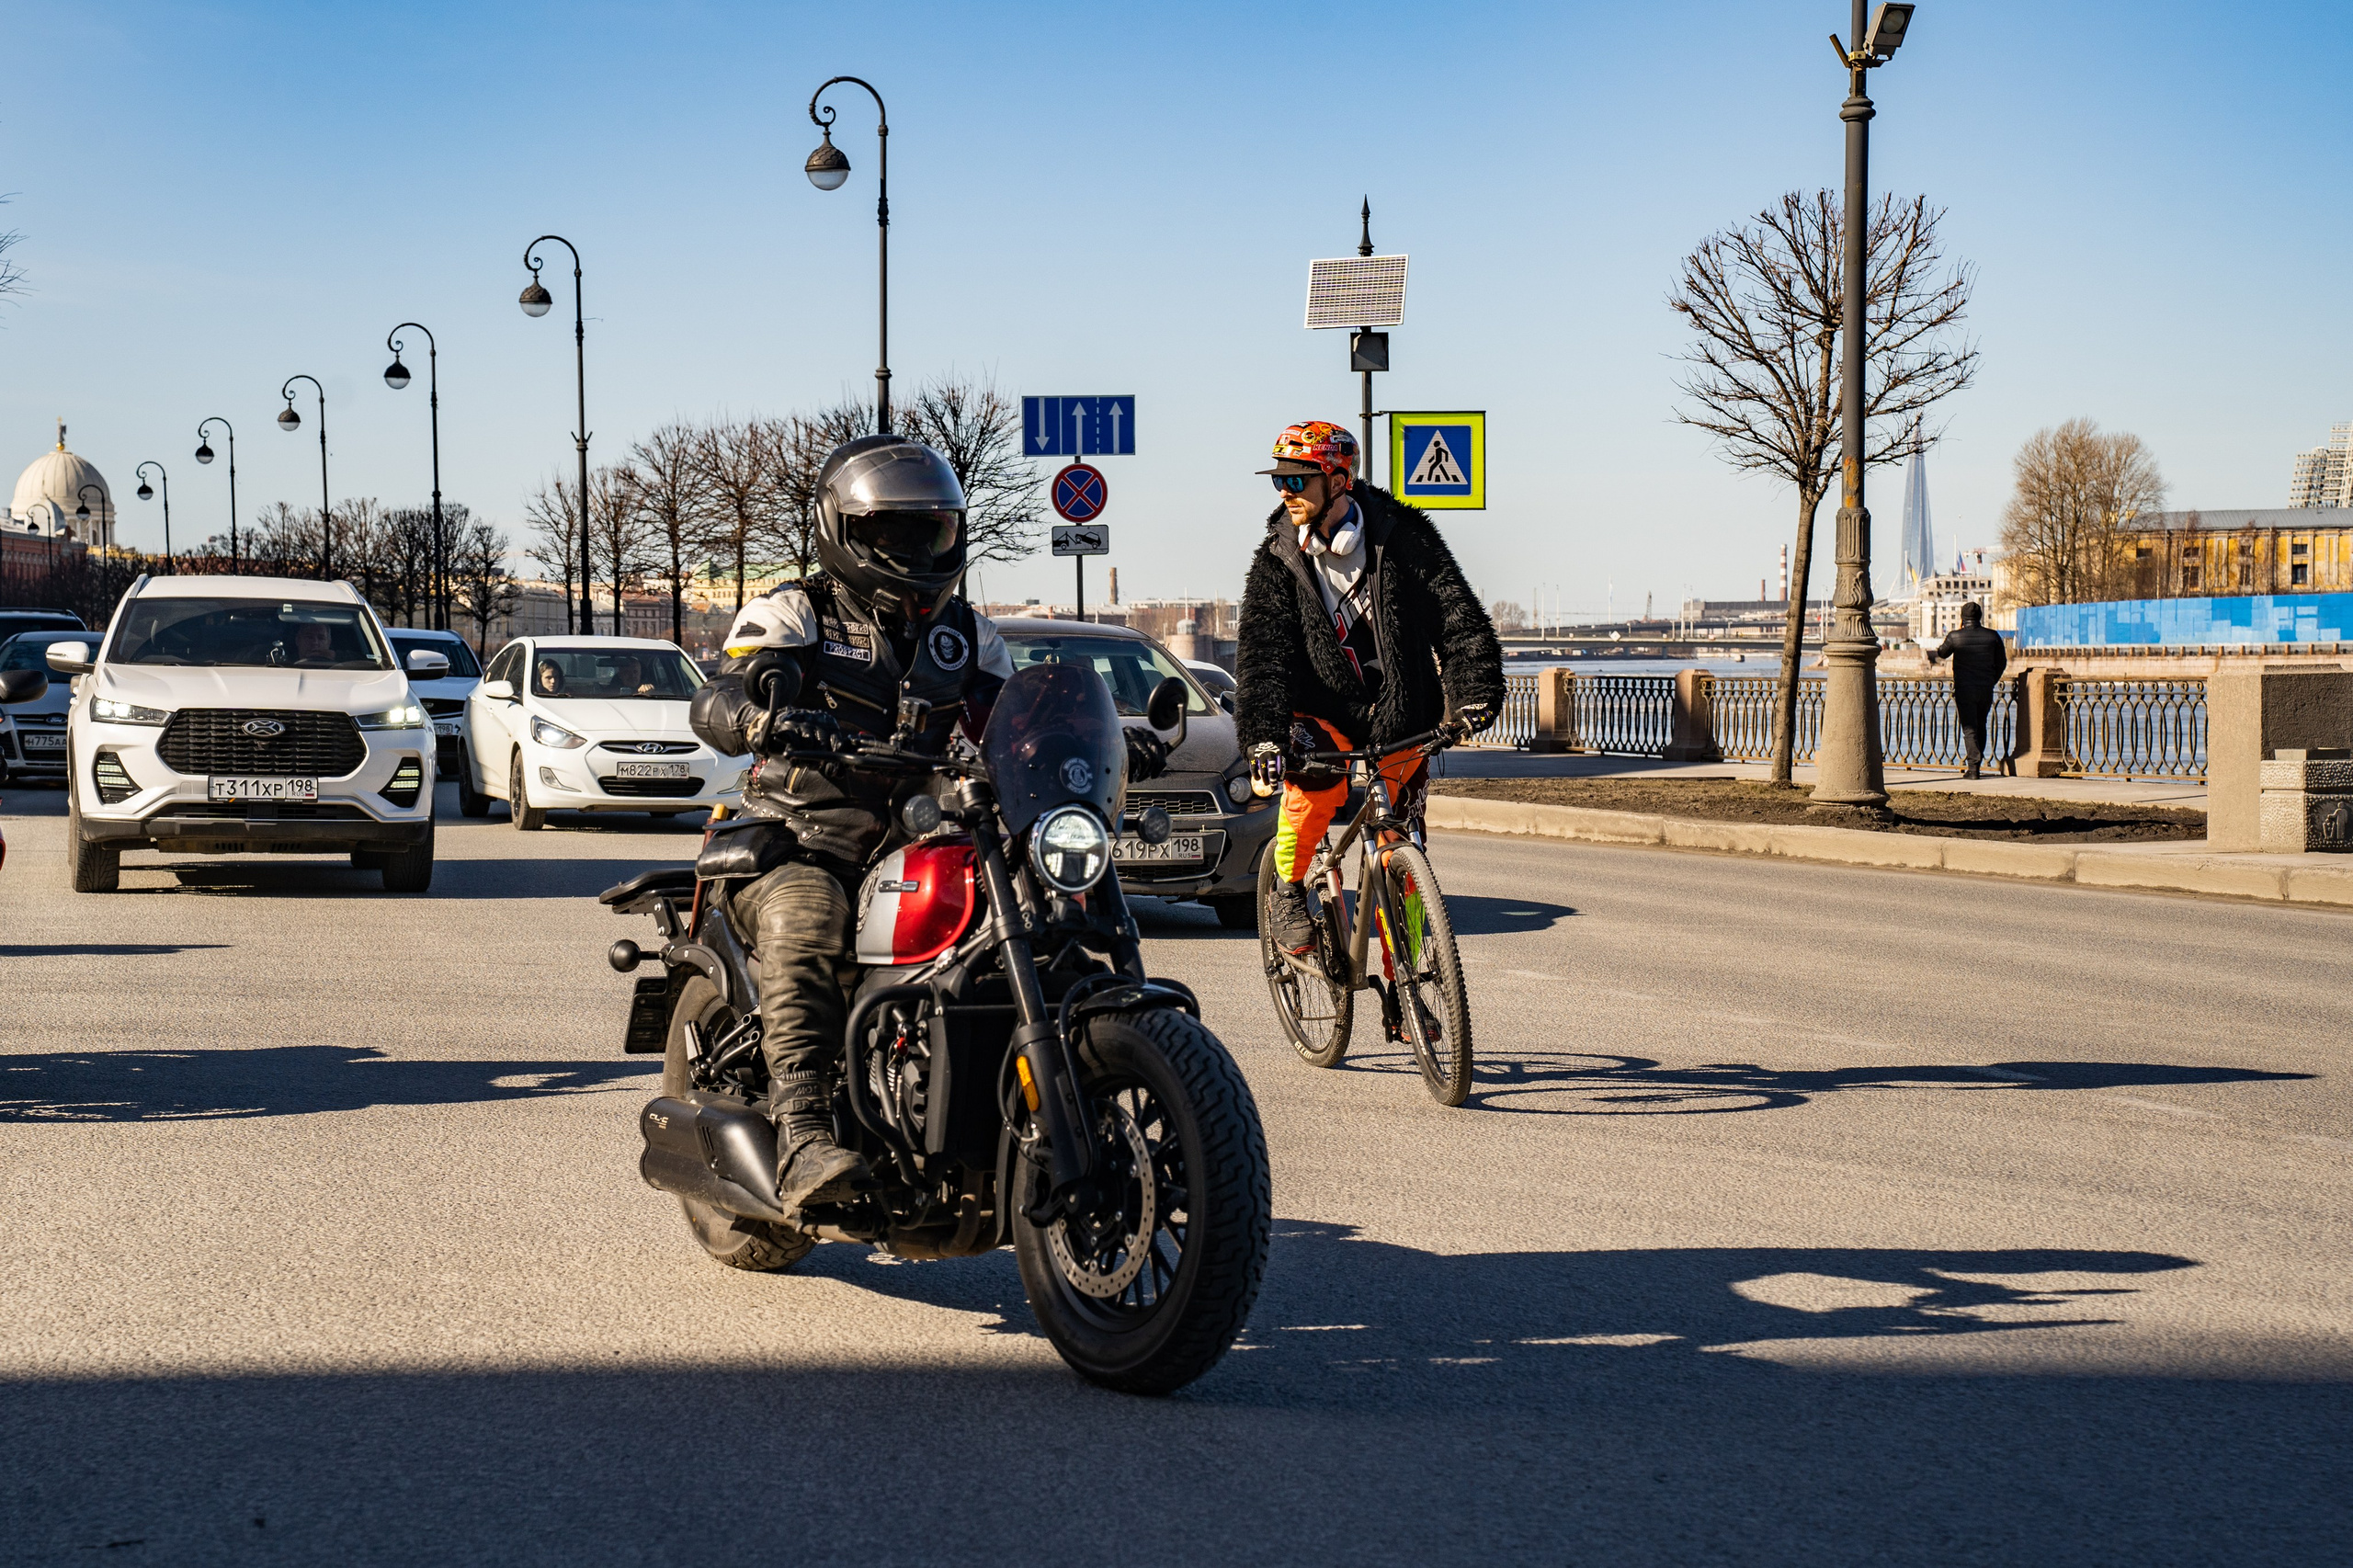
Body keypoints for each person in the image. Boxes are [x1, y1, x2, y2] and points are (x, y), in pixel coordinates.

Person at [688, 435, 1167, 1218]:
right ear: (842, 532)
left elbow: (1015, 725)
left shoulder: (967, 633)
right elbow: (721, 693)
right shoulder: (793, 612)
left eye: (933, 529)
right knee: (809, 920)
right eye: (895, 532)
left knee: (1036, 898)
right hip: (805, 831)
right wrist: (755, 716)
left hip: (919, 833)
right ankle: (806, 1132)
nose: (918, 547)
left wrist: (1105, 736)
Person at [1234, 420, 1505, 962]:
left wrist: (1473, 695)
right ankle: (1289, 892)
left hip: (1401, 711)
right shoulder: (1277, 560)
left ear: (1337, 482)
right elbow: (1265, 656)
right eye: (1278, 483)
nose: (1286, 493)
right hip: (1322, 710)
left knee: (1400, 848)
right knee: (1312, 791)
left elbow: (1458, 621)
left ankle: (1407, 985)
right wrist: (1264, 737)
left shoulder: (1403, 538)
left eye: (1297, 481)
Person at [1926, 600, 2008, 779]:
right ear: (1980, 617)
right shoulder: (1993, 636)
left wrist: (1952, 636)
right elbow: (2002, 663)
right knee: (1981, 725)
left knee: (1969, 728)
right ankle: (1977, 765)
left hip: (1964, 688)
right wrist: (1991, 680)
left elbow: (1942, 653)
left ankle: (1974, 769)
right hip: (1985, 688)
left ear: (1963, 619)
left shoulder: (1956, 636)